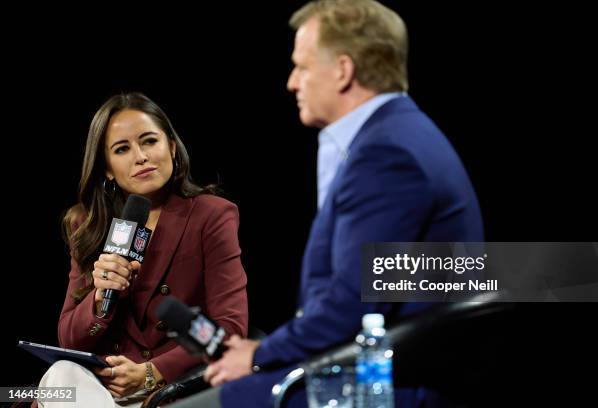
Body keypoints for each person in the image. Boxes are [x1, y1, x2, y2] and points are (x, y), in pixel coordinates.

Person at [173, 0, 483, 407]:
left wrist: (261, 355)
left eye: (301, 66)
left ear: (342, 70)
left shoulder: (389, 155)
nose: (291, 82)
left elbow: (352, 302)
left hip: (382, 383)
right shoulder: (399, 133)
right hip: (362, 364)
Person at [37, 92, 248, 407]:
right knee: (59, 377)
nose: (140, 157)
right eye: (122, 149)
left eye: (149, 141)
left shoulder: (211, 215)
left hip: (174, 387)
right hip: (103, 389)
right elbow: (69, 338)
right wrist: (98, 297)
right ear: (107, 168)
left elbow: (230, 327)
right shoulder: (87, 224)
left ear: (172, 148)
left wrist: (153, 372)